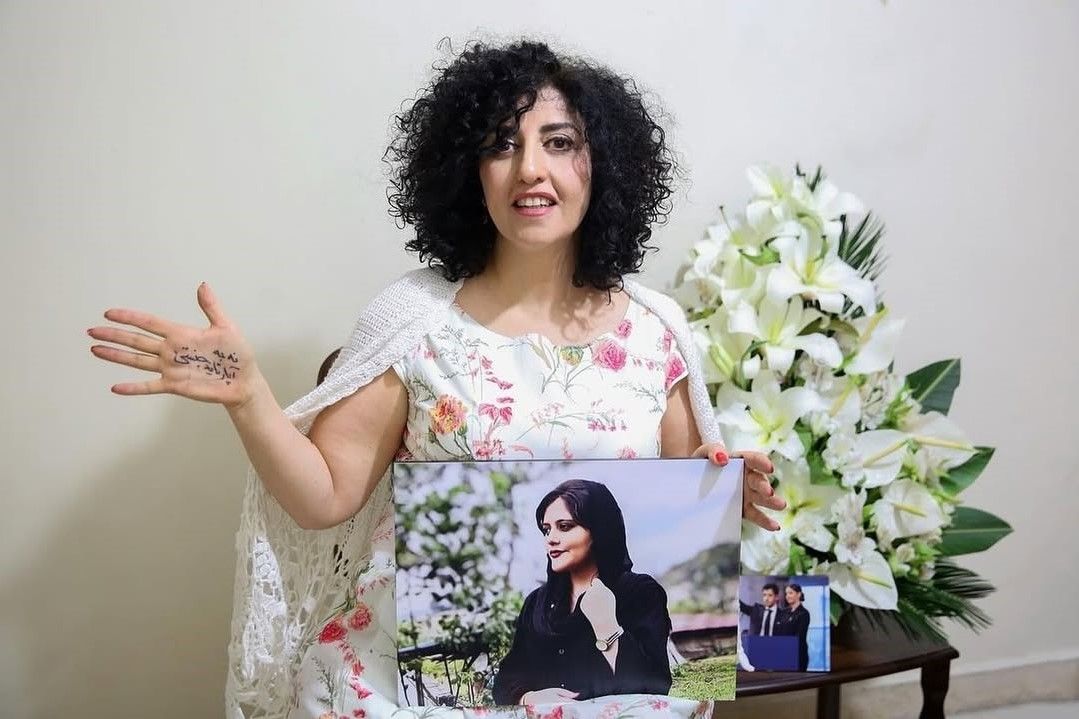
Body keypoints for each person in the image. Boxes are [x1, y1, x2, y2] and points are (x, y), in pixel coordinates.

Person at [87, 40, 785, 718]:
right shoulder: (414, 318)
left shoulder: (656, 331)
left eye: (559, 143)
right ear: (468, 171)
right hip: (400, 688)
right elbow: (323, 498)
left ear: (602, 164)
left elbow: (683, 490)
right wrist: (250, 397)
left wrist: (723, 490)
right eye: (501, 144)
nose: (529, 169)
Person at [492, 480, 671, 704]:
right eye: (547, 529)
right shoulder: (537, 604)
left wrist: (607, 627)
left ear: (598, 530)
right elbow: (506, 680)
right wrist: (528, 698)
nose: (551, 539)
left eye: (565, 526)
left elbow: (655, 686)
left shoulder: (640, 593)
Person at [774, 583, 811, 671]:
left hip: (797, 655)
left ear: (798, 594)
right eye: (786, 593)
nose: (787, 596)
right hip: (783, 655)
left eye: (790, 593)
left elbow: (799, 636)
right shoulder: (784, 612)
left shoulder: (804, 613)